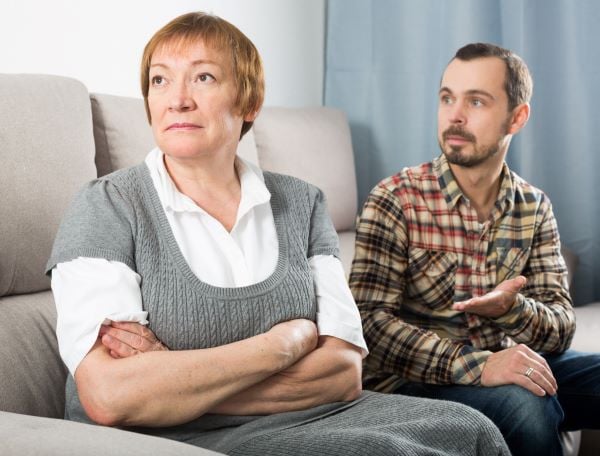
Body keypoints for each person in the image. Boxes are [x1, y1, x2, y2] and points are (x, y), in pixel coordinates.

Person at [45, 13, 509, 456]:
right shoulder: (107, 205)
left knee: (471, 429)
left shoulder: (303, 204)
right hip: (169, 437)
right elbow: (110, 396)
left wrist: (175, 379)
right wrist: (281, 345)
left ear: (249, 102)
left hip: (315, 415)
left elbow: (343, 374)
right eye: (160, 80)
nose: (177, 99)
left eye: (203, 78)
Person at [350, 42, 600, 456]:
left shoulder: (533, 206)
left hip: (502, 363)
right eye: (447, 98)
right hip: (415, 383)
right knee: (525, 405)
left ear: (517, 117)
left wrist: (511, 310)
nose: (455, 115)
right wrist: (479, 366)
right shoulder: (396, 198)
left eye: (477, 101)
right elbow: (368, 325)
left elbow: (560, 328)